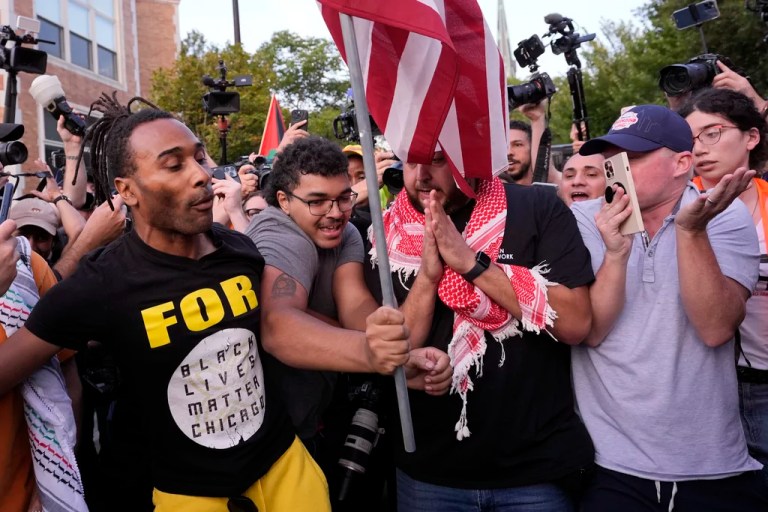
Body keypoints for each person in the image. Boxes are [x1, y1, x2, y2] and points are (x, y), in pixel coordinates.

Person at [0, 94, 367, 512]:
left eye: (198, 158)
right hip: (190, 495)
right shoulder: (102, 282)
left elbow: (284, 319)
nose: (201, 176)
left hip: (288, 471)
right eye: (174, 165)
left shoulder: (241, 251)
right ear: (127, 190)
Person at [364, 148, 595, 511]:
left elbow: (576, 323)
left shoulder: (536, 206)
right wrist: (428, 276)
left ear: (466, 155)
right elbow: (399, 344)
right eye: (410, 161)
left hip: (534, 472)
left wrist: (471, 262)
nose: (420, 174)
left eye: (437, 160)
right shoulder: (387, 231)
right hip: (428, 473)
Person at [571, 104, 768, 510]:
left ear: (682, 163)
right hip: (608, 462)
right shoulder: (584, 218)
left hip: (710, 463)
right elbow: (589, 331)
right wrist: (615, 250)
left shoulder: (723, 215)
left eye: (632, 157)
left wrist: (691, 230)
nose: (616, 168)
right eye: (610, 158)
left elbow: (715, 328)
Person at [245, 136, 452, 508]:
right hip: (263, 436)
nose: (336, 212)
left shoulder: (347, 234)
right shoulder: (278, 231)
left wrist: (400, 340)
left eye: (344, 197)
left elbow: (357, 310)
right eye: (317, 201)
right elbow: (278, 327)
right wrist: (383, 358)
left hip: (311, 421)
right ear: (283, 202)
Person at [679, 87, 768, 486]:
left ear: (752, 137)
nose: (700, 148)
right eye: (690, 138)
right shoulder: (674, 208)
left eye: (712, 133)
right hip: (708, 384)